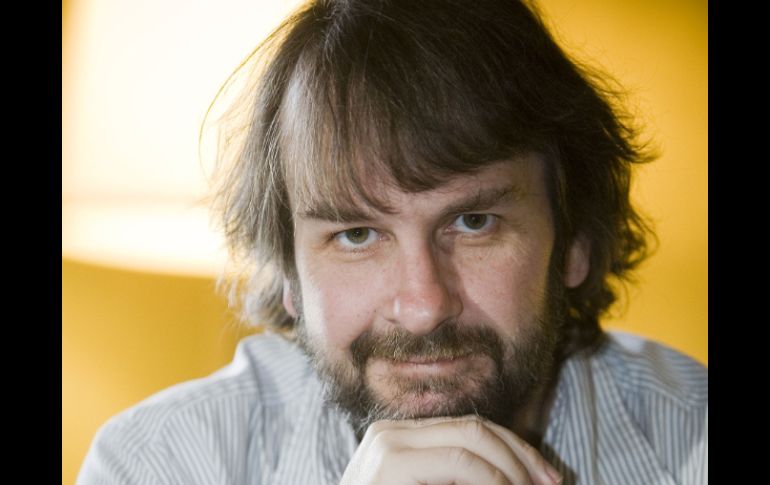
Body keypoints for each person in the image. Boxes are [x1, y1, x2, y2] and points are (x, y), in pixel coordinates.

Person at [77, 0, 707, 483]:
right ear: (290, 272)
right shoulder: (159, 462)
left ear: (574, 242)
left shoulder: (696, 440)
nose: (423, 307)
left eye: (474, 223)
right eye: (356, 234)